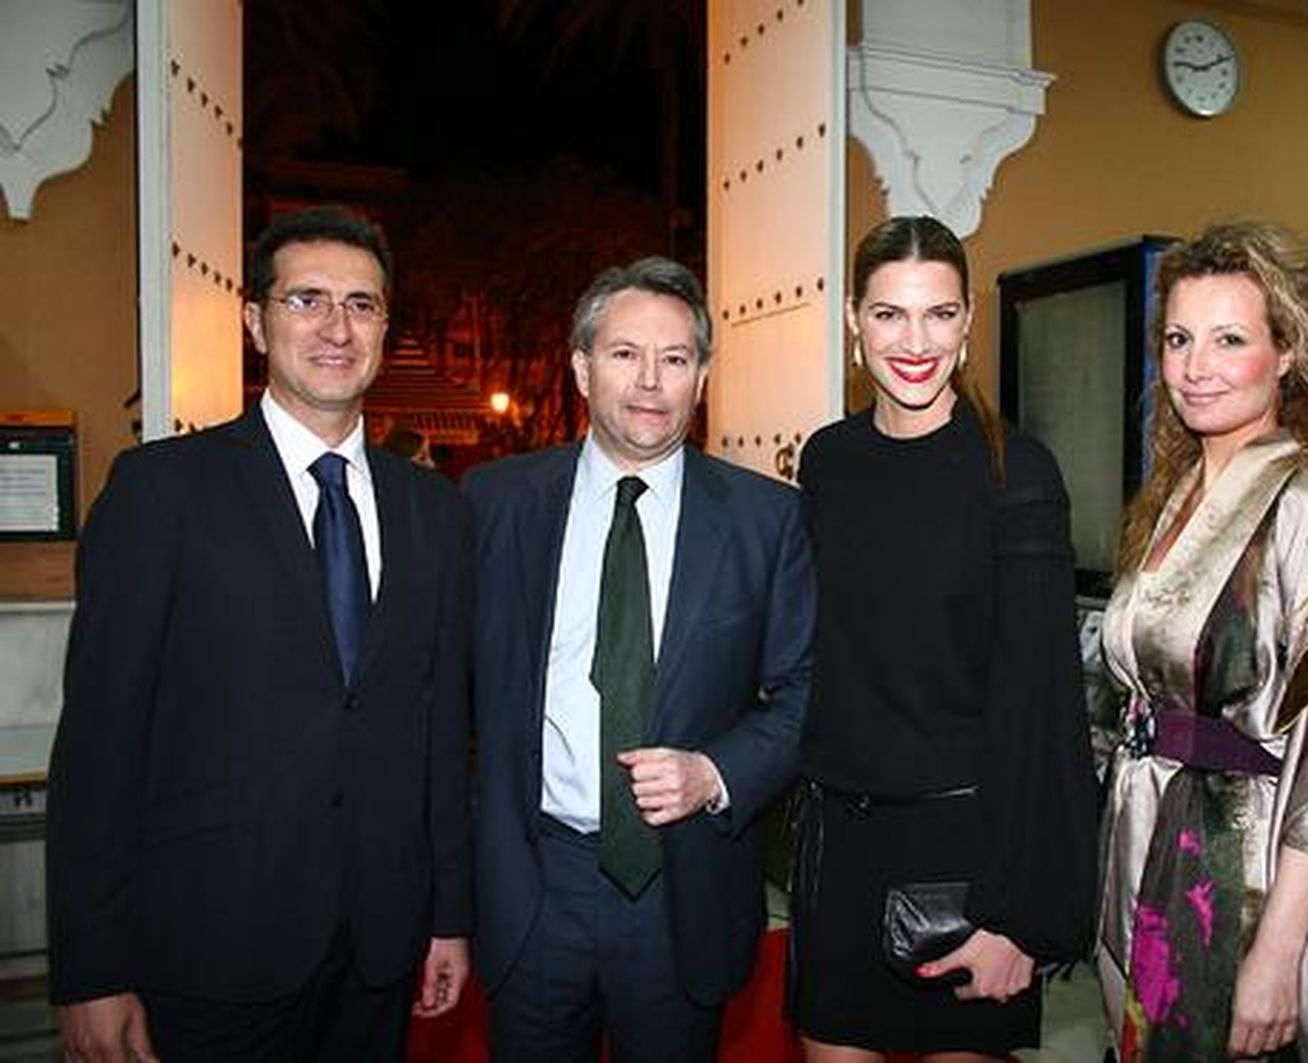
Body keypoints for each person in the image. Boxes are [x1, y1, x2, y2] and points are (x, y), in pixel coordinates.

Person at [47, 205, 472, 1061]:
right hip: (209, 948)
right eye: (307, 299)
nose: (336, 327)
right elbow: (97, 744)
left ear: (386, 325)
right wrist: (92, 968)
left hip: (378, 948)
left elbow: (435, 729)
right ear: (255, 320)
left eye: (362, 304)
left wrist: (448, 915)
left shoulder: (433, 508)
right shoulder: (159, 493)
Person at [1096, 221, 1308, 1060]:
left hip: (1247, 877)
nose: (1196, 365)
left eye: (1230, 339)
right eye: (1179, 339)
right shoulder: (1172, 496)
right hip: (1150, 853)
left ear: (1287, 353)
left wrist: (1277, 954)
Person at [464, 255, 814, 1061]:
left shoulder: (767, 519)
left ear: (701, 375)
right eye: (625, 354)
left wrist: (714, 772)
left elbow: (806, 688)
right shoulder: (493, 504)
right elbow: (445, 694)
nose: (651, 380)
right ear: (583, 367)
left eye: (676, 357)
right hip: (532, 884)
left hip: (680, 889)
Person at [788, 214, 1100, 1061]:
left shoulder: (1018, 472)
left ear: (967, 325)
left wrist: (1020, 916)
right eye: (889, 314)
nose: (914, 340)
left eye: (939, 314)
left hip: (968, 855)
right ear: (854, 322)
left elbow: (1044, 711)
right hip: (839, 846)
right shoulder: (827, 462)